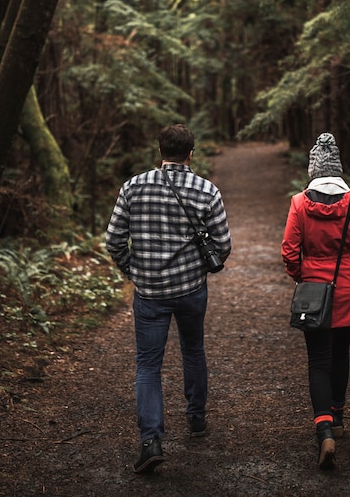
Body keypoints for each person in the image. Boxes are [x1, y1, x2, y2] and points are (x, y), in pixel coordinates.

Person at [106, 124, 231, 474]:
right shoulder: (207, 190)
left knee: (148, 364)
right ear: (191, 153)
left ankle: (151, 441)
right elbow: (223, 245)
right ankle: (196, 419)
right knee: (193, 349)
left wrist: (134, 271)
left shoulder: (132, 187)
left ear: (159, 150)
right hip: (191, 289)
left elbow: (114, 240)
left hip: (148, 294)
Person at [281, 132, 350, 469]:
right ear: (338, 170)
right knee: (340, 353)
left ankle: (324, 428)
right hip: (349, 289)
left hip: (313, 291)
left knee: (318, 358)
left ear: (313, 171)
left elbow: (289, 252)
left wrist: (303, 277)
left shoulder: (299, 203)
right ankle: (337, 412)